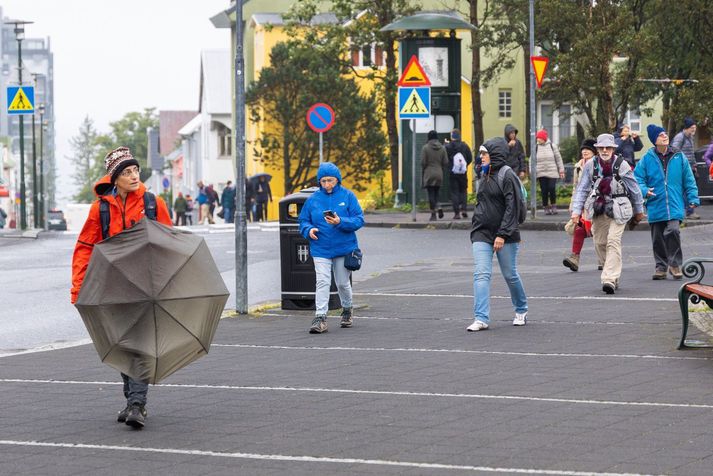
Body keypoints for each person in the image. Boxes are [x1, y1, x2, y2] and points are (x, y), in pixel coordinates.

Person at [70, 146, 172, 429]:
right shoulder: (100, 209)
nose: (134, 175)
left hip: (145, 286)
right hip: (111, 287)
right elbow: (85, 248)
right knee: (120, 344)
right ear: (115, 178)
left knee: (138, 343)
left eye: (135, 170)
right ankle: (131, 400)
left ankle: (137, 405)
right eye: (126, 172)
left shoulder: (153, 203)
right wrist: (78, 287)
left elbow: (169, 243)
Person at [570, 133, 644, 294]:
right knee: (600, 243)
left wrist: (639, 210)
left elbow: (634, 188)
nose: (605, 150)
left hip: (619, 207)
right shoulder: (591, 165)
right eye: (601, 147)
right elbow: (582, 189)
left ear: (613, 148)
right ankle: (611, 273)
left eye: (608, 147)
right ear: (597, 149)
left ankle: (609, 278)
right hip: (598, 207)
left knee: (613, 241)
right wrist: (576, 211)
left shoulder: (621, 164)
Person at [467, 137, 528, 332]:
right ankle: (481, 318)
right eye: (481, 153)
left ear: (495, 154)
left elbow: (513, 207)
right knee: (481, 273)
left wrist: (502, 234)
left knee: (510, 275)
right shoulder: (483, 174)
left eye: (484, 153)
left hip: (505, 233)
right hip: (481, 233)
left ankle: (521, 309)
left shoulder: (507, 175)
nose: (481, 156)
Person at [298, 162, 364, 334]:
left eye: (331, 180)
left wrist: (340, 221)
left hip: (343, 247)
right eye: (323, 181)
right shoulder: (313, 200)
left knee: (342, 283)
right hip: (320, 248)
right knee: (322, 281)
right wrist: (308, 230)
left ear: (338, 180)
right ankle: (320, 317)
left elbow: (359, 219)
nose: (327, 184)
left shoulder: (348, 196)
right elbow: (303, 220)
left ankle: (347, 309)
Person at [634, 125, 699, 280]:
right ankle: (661, 267)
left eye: (665, 133)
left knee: (673, 230)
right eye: (660, 135)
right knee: (657, 238)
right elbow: (637, 179)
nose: (664, 136)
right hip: (655, 203)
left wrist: (693, 197)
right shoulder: (646, 159)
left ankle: (675, 264)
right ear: (654, 140)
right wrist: (644, 191)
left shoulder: (679, 156)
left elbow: (688, 179)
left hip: (675, 203)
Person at [563, 139, 598, 272]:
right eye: (583, 149)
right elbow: (576, 188)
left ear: (594, 152)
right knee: (579, 228)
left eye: (588, 149)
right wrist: (574, 206)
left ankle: (603, 259)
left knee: (599, 232)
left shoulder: (598, 165)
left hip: (597, 203)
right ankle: (574, 258)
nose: (585, 151)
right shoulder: (578, 166)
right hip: (583, 204)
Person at [671, 117, 699, 219]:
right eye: (692, 128)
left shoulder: (690, 137)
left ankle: (689, 211)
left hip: (690, 167)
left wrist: (694, 164)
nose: (694, 130)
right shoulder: (680, 137)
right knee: (684, 190)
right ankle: (687, 212)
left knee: (688, 189)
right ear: (687, 128)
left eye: (695, 128)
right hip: (681, 168)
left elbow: (691, 153)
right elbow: (674, 151)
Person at [534, 129, 565, 215]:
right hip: (541, 172)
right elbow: (531, 161)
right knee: (544, 190)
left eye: (539, 138)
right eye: (537, 138)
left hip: (552, 172)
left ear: (543, 138)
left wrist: (561, 170)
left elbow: (558, 158)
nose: (537, 139)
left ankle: (553, 205)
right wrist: (532, 172)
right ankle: (545, 207)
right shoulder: (536, 147)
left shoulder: (552, 146)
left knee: (551, 188)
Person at [445, 128, 473, 219]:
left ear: (452, 136)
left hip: (453, 172)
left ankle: (457, 213)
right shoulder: (464, 146)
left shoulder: (448, 146)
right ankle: (464, 209)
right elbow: (469, 158)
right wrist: (464, 166)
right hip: (463, 172)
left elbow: (445, 158)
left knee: (454, 192)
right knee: (463, 190)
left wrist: (450, 166)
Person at [420, 130, 448, 221]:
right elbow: (445, 162)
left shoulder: (425, 148)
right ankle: (439, 206)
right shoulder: (442, 148)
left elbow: (423, 162)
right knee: (436, 193)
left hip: (429, 173)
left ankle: (433, 214)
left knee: (431, 193)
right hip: (439, 173)